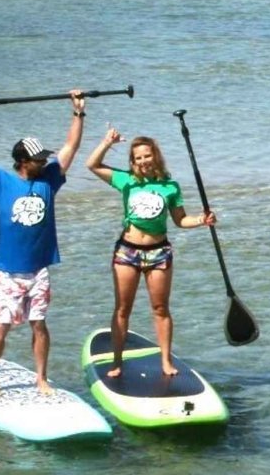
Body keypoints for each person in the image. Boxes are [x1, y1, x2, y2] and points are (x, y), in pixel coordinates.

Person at [0, 89, 86, 398]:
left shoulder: (49, 179)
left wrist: (78, 111)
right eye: (39, 159)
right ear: (24, 162)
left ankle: (41, 378)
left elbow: (71, 146)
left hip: (39, 270)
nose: (45, 161)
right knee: (2, 326)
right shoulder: (0, 181)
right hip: (8, 272)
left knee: (39, 324)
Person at [85, 127, 218, 377]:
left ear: (155, 156)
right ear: (133, 162)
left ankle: (166, 361)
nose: (143, 161)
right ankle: (117, 362)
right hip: (127, 252)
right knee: (123, 309)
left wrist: (202, 219)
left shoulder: (170, 187)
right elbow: (91, 164)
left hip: (159, 253)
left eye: (147, 156)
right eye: (138, 158)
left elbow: (180, 220)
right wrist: (106, 142)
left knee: (160, 308)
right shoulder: (126, 181)